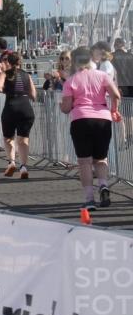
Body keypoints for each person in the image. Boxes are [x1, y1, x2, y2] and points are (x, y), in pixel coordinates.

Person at [60, 46, 122, 211]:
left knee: (85, 161)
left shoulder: (71, 80)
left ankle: (89, 199)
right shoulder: (102, 76)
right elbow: (116, 95)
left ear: (74, 61)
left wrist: (64, 105)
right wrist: (114, 110)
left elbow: (66, 108)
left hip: (81, 119)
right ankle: (103, 185)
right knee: (100, 159)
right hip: (102, 118)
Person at [0, 52, 36, 179]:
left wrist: (7, 88)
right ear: (20, 62)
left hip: (11, 107)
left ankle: (11, 162)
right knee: (23, 140)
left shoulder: (6, 73)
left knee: (8, 138)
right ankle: (23, 166)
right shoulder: (27, 75)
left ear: (9, 62)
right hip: (26, 108)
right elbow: (33, 95)